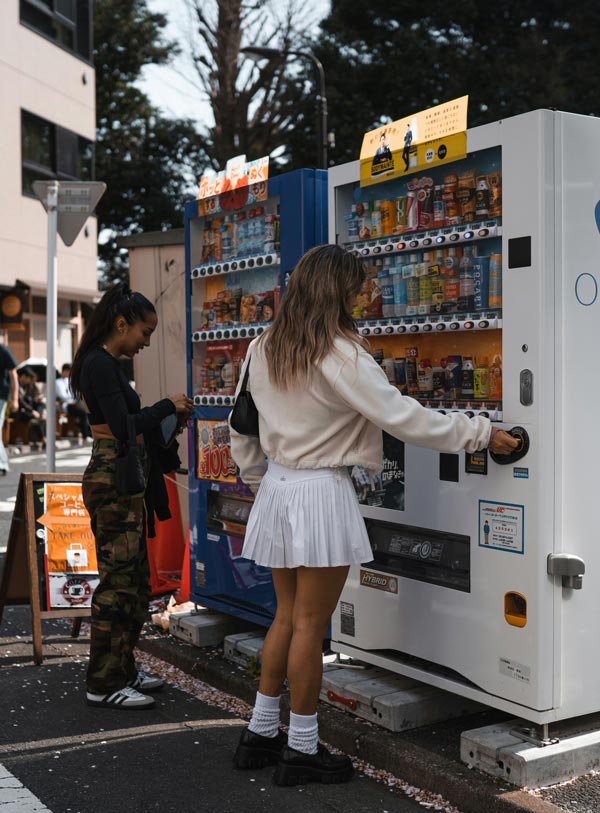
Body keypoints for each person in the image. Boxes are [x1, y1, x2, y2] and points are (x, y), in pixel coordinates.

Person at [229, 244, 518, 786]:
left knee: (286, 618)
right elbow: (405, 419)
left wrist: (256, 482)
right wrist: (480, 431)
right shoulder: (339, 352)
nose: (363, 294)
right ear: (339, 290)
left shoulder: (261, 345)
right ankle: (301, 749)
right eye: (358, 286)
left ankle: (260, 733)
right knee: (311, 628)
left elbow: (240, 426)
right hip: (319, 491)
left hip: (278, 487)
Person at [70, 283, 193, 711]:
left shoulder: (104, 363)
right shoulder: (100, 366)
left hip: (121, 477)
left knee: (135, 584)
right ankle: (103, 682)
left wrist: (167, 419)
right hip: (112, 477)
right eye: (144, 332)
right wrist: (165, 407)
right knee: (117, 583)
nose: (146, 341)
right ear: (121, 324)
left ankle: (122, 668)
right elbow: (124, 427)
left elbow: (128, 426)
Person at [55, 362, 92, 440]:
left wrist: (75, 398)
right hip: (66, 404)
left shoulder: (70, 380)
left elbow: (75, 392)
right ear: (65, 371)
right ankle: (86, 435)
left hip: (75, 402)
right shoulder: (57, 382)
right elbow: (63, 395)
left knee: (88, 408)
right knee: (83, 412)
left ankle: (89, 432)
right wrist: (71, 399)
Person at [15, 366, 46, 449]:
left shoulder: (28, 386)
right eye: (28, 378)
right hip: (19, 411)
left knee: (41, 405)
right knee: (34, 418)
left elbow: (32, 399)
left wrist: (37, 400)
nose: (30, 380)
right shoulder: (16, 385)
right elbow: (20, 401)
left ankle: (43, 439)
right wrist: (32, 411)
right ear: (23, 376)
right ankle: (43, 440)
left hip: (29, 410)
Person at [0, 341, 18, 474]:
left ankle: (2, 463)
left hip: (1, 395)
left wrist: (15, 399)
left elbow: (13, 375)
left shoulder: (4, 351)